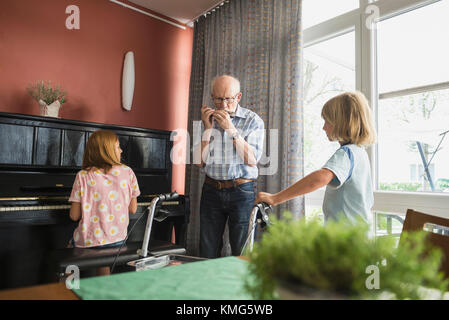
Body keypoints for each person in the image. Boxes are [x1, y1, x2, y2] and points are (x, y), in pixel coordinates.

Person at [256, 91, 376, 226]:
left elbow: (321, 177)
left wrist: (275, 198)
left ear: (342, 123)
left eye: (327, 121)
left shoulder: (346, 153)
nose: (324, 127)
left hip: (347, 239)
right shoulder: (359, 152)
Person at [196, 75, 265, 258]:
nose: (223, 104)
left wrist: (230, 129)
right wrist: (207, 128)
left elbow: (252, 159)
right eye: (218, 99)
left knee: (242, 251)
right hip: (211, 190)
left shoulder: (253, 121)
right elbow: (199, 161)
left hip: (241, 191)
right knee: (207, 251)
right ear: (213, 97)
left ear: (238, 97)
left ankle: (239, 287)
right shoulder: (207, 119)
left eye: (228, 98)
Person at [68, 130, 140, 276]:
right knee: (103, 255)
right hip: (118, 240)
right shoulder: (128, 172)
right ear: (107, 150)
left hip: (89, 241)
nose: (121, 150)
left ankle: (66, 291)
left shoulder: (83, 175)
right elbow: (133, 209)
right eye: (118, 146)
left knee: (68, 252)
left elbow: (74, 216)